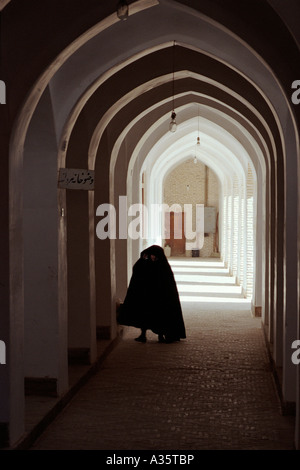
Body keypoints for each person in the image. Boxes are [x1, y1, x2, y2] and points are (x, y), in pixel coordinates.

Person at [117, 245, 186, 343]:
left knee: (158, 316)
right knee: (146, 315)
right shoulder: (151, 266)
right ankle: (145, 335)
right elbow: (137, 271)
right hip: (150, 298)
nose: (152, 257)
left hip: (159, 299)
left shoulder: (160, 267)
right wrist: (142, 259)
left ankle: (158, 336)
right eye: (150, 255)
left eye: (153, 255)